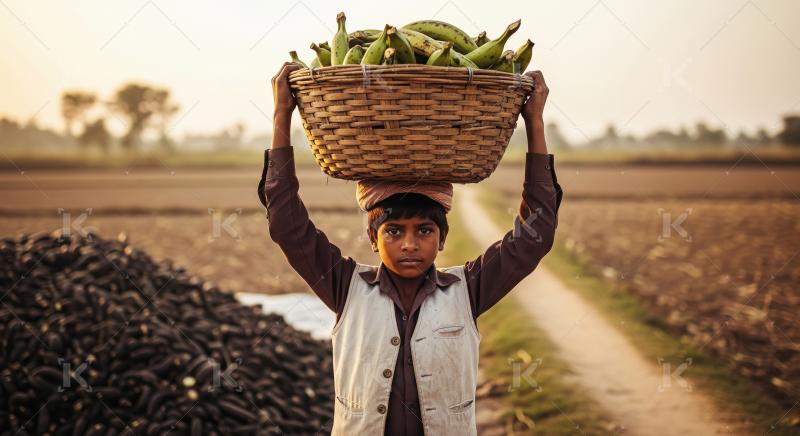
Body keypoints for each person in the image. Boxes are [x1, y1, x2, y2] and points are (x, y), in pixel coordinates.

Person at [258, 61, 563, 436]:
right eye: (393, 232)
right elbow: (287, 226)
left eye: (424, 230)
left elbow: (536, 235)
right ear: (373, 238)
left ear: (442, 238)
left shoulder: (467, 291)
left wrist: (534, 123)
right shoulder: (344, 287)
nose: (409, 245)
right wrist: (281, 114)